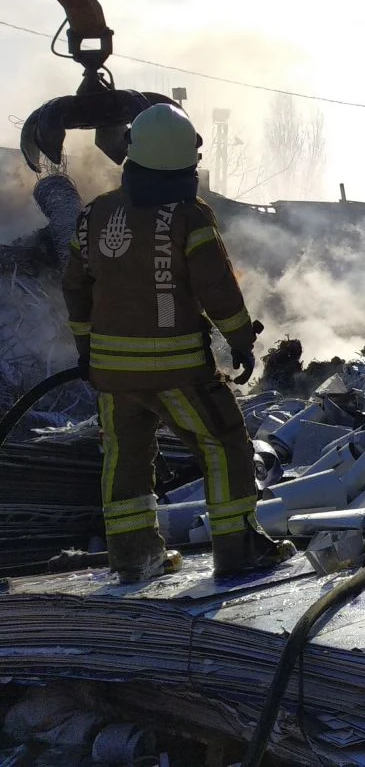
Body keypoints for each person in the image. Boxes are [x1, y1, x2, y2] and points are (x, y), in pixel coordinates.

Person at [61, 103, 295, 584]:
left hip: (111, 374)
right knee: (224, 441)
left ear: (133, 154)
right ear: (187, 163)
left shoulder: (94, 215)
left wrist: (86, 347)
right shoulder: (189, 216)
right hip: (178, 369)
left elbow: (75, 286)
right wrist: (239, 341)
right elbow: (216, 287)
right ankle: (238, 550)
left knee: (125, 455)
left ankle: (133, 558)